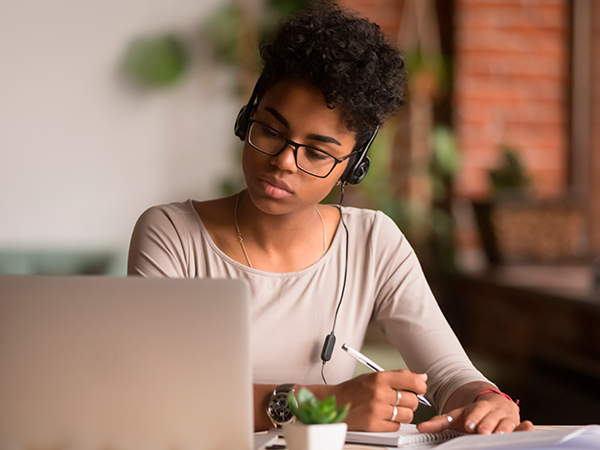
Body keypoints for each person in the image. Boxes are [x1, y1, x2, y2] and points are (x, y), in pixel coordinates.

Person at [128, 3, 533, 435]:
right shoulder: (172, 235)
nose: (284, 161)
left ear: (352, 167)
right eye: (269, 130)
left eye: (317, 152)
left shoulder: (373, 242)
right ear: (247, 118)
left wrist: (488, 403)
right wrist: (323, 402)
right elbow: (157, 392)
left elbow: (450, 373)